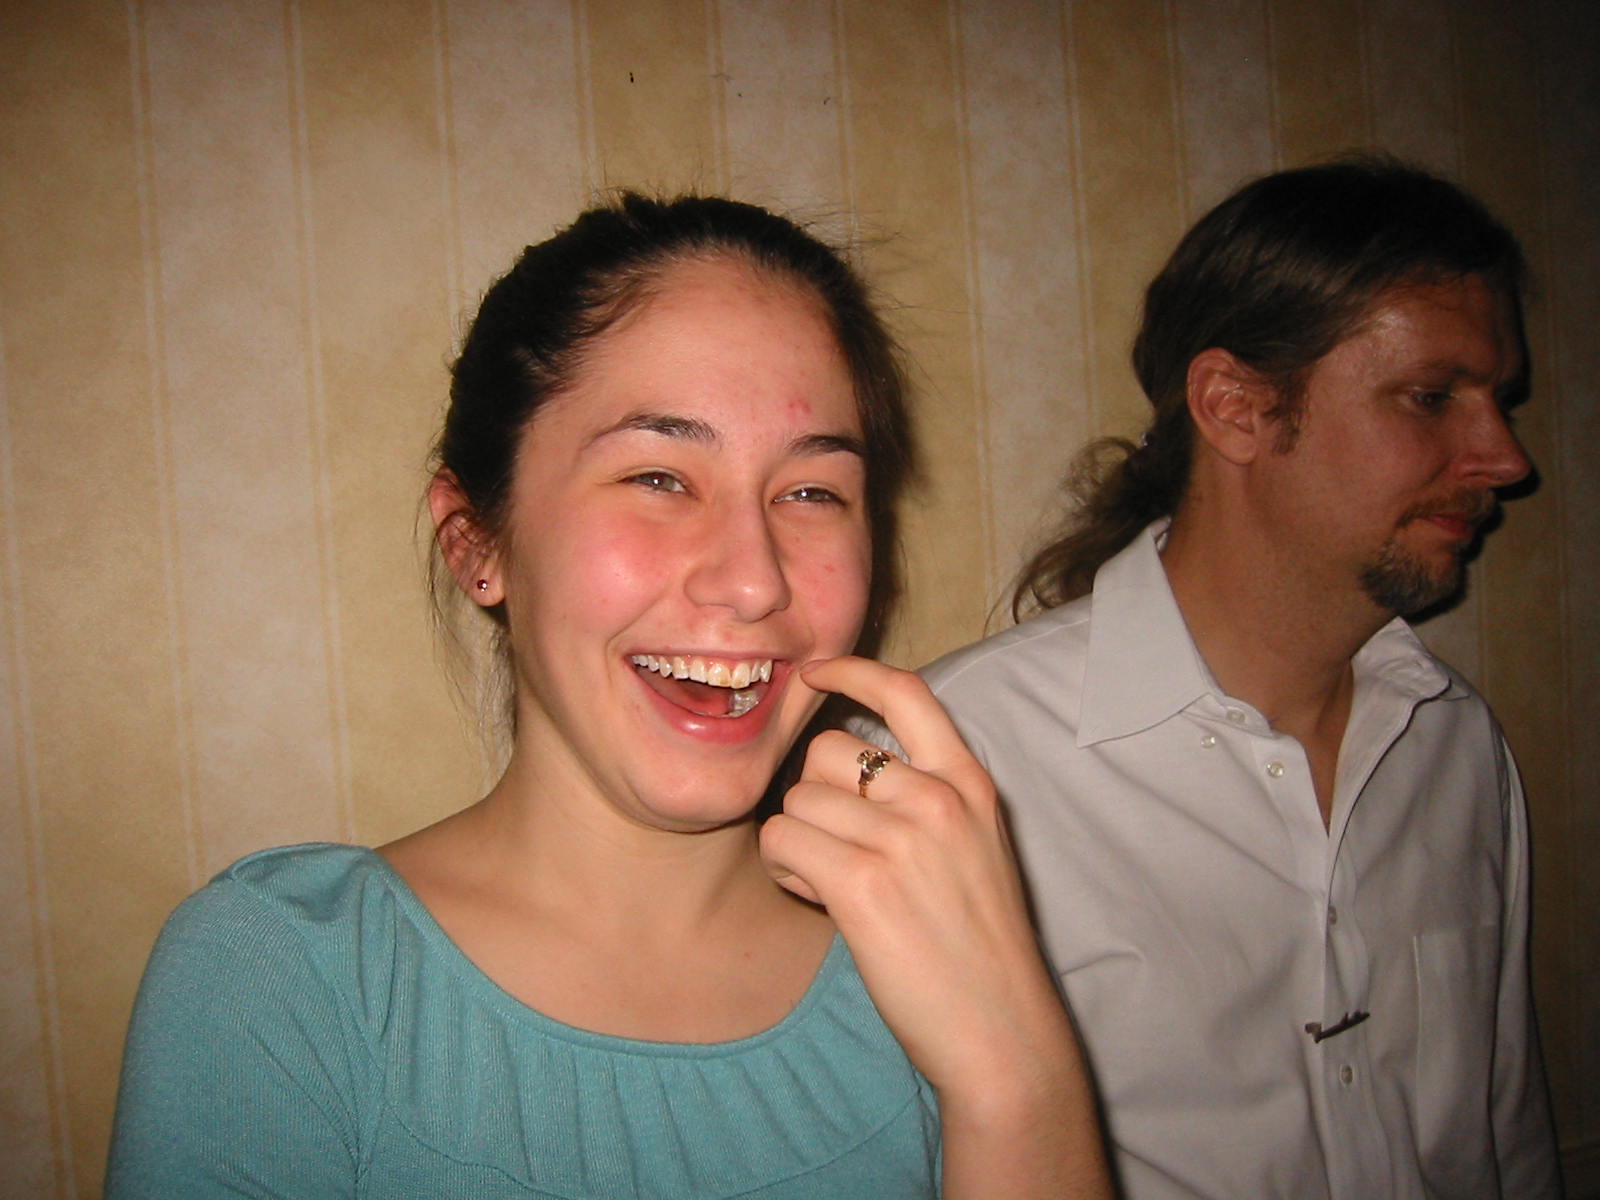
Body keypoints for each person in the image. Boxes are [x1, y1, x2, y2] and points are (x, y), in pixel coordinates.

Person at [104, 193, 1110, 1199]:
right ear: (477, 543)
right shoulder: (283, 980)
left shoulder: (932, 960)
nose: (753, 582)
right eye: (659, 478)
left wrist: (1015, 1076)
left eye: (812, 492)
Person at [886, 158, 1562, 1198]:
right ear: (1236, 408)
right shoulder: (961, 765)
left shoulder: (1456, 741)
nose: (1504, 458)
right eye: (1431, 397)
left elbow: (1507, 1135)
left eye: (1497, 400)